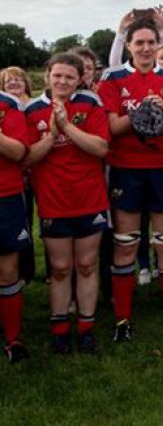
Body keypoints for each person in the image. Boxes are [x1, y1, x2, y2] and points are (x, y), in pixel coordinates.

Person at [98, 18, 163, 341]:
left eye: (151, 42)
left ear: (158, 44)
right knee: (126, 245)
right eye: (139, 43)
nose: (146, 48)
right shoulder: (112, 78)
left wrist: (161, 113)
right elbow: (111, 127)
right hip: (126, 167)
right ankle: (123, 321)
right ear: (129, 46)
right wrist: (138, 112)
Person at [23, 53, 110, 354]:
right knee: (60, 268)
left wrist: (68, 127)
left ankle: (86, 327)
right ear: (47, 75)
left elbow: (101, 147)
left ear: (79, 79)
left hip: (89, 197)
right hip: (53, 200)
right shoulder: (31, 109)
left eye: (69, 77)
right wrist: (51, 133)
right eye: (57, 75)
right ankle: (59, 328)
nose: (62, 81)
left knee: (86, 265)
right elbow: (27, 157)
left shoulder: (90, 103)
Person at [0, 89, 30, 362]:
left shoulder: (9, 105)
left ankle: (13, 338)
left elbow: (19, 151)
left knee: (8, 271)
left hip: (5, 197)